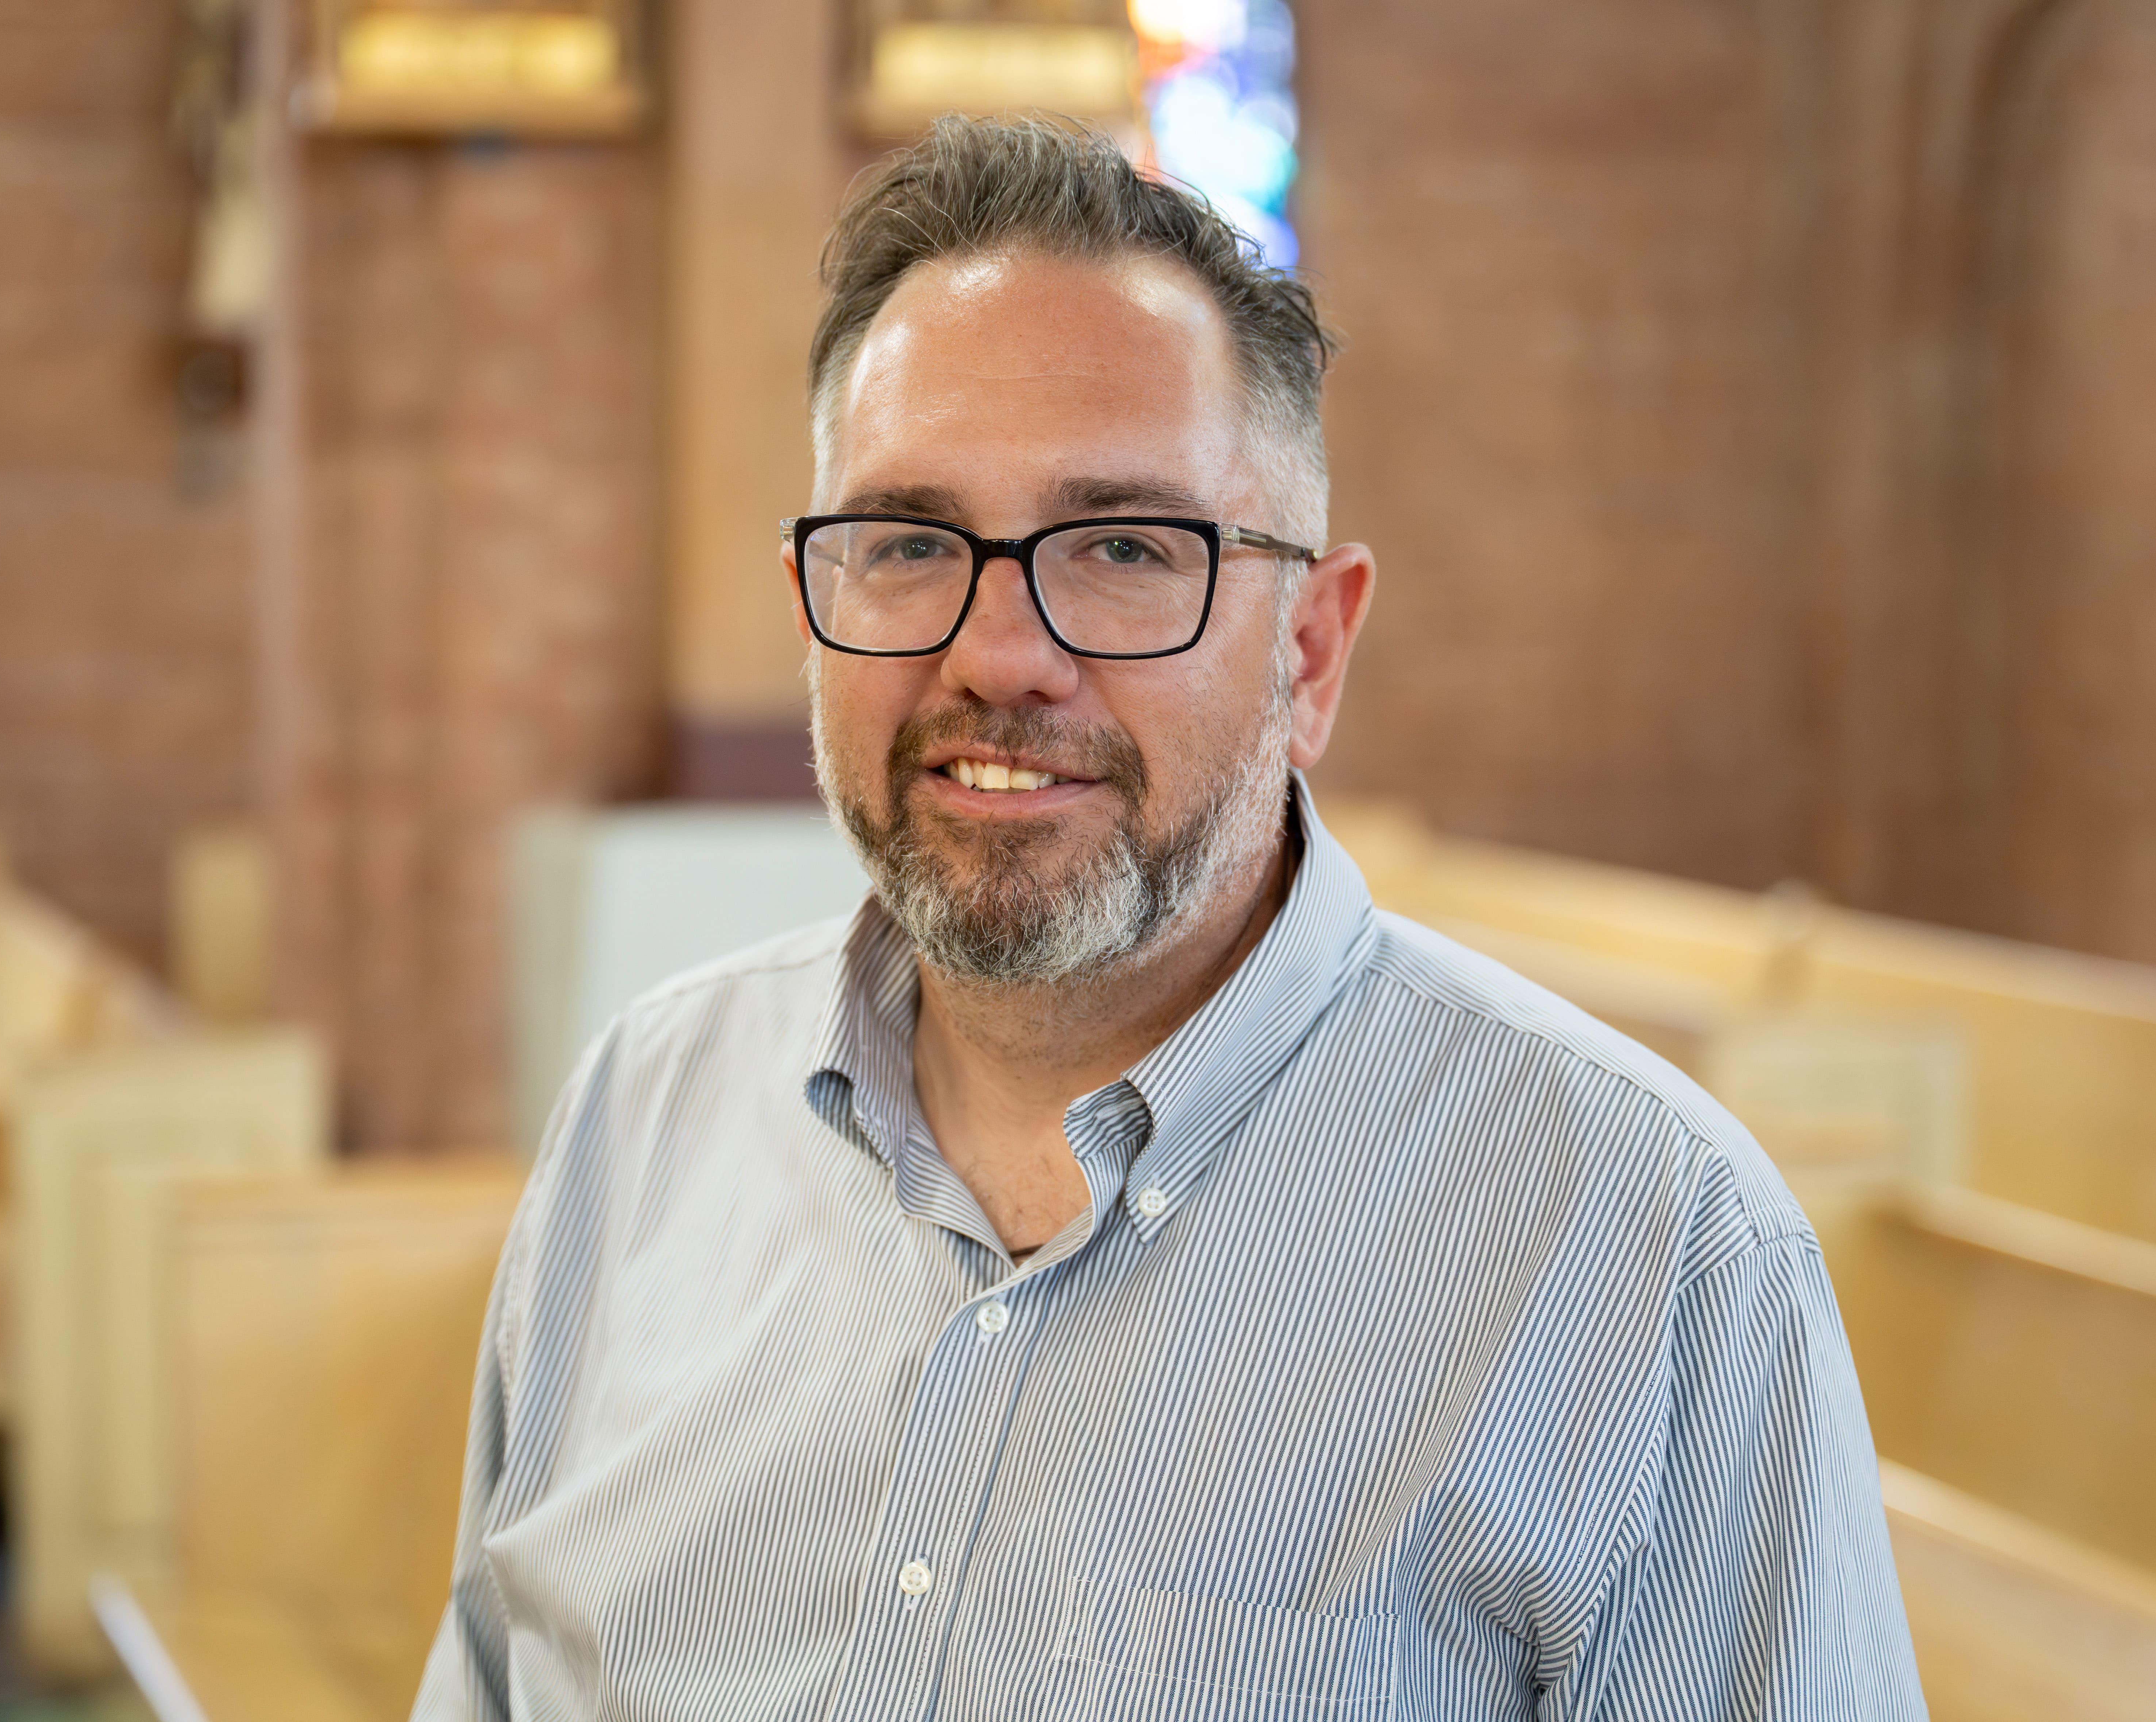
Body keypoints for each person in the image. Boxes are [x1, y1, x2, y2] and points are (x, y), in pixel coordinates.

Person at [412, 115, 1924, 1721]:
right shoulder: (640, 1112)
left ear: (1308, 653)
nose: (998, 654)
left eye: (1126, 547)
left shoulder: (1650, 1250)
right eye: (908, 543)